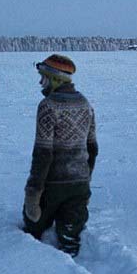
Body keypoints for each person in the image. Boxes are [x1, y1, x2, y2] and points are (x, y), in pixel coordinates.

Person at [23, 54, 98, 256]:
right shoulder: (85, 104)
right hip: (79, 186)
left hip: (53, 186)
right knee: (70, 237)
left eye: (43, 77)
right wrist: (85, 182)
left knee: (32, 230)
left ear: (54, 79)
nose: (40, 82)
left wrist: (33, 193)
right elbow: (92, 149)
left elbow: (43, 154)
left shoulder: (48, 106)